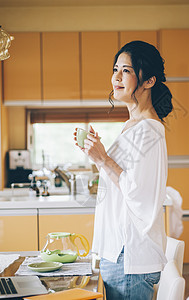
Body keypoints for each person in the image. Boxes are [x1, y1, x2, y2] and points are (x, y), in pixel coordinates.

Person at [74, 40, 173, 300]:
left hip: (129, 258)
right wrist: (97, 156)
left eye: (126, 71)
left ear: (149, 81)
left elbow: (138, 194)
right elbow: (122, 182)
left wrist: (104, 158)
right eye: (115, 69)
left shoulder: (149, 130)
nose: (116, 77)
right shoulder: (132, 125)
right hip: (120, 254)